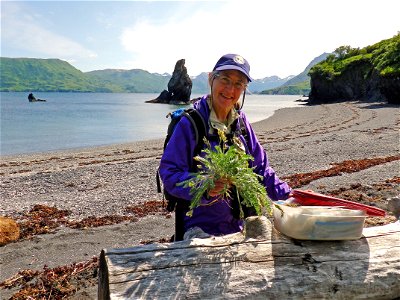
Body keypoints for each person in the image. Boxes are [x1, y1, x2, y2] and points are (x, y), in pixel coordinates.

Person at [159, 54, 291, 240]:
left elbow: (261, 169)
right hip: (197, 229)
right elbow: (169, 173)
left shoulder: (241, 123)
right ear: (211, 79)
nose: (230, 89)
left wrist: (290, 196)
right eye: (225, 79)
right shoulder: (191, 123)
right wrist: (205, 184)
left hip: (238, 226)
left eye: (239, 84)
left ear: (244, 89)